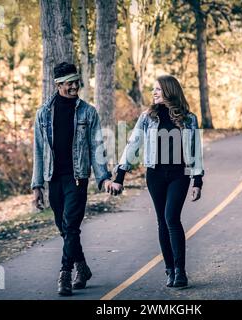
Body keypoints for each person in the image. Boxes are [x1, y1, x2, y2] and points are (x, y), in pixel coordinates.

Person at [31, 62, 122, 296]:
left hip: (77, 177)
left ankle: (65, 273)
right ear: (59, 85)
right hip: (54, 178)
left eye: (76, 82)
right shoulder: (43, 114)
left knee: (71, 225)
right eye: (70, 83)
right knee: (63, 227)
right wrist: (37, 185)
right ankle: (82, 268)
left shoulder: (87, 112)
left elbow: (96, 147)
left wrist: (103, 179)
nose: (74, 86)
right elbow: (39, 151)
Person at [113, 75, 204, 287]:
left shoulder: (189, 119)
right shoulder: (147, 118)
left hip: (179, 175)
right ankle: (170, 269)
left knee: (171, 218)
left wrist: (197, 180)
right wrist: (120, 175)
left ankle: (180, 271)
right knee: (162, 221)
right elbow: (133, 144)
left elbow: (196, 151)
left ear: (170, 91)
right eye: (153, 89)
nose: (154, 93)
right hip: (155, 175)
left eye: (158, 90)